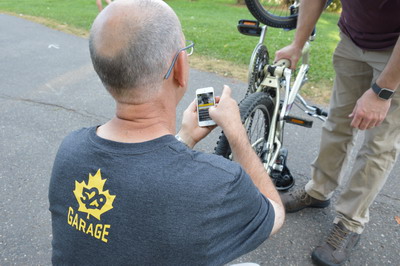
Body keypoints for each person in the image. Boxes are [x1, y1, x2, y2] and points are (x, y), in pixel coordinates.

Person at [48, 0, 285, 265]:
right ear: (180, 68)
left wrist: (185, 138)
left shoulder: (70, 150)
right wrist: (236, 131)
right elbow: (274, 212)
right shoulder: (216, 183)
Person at [275, 0, 400, 265]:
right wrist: (297, 44)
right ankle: (318, 190)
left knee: (379, 144)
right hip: (351, 40)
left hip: (395, 53)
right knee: (337, 122)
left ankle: (350, 221)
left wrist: (383, 92)